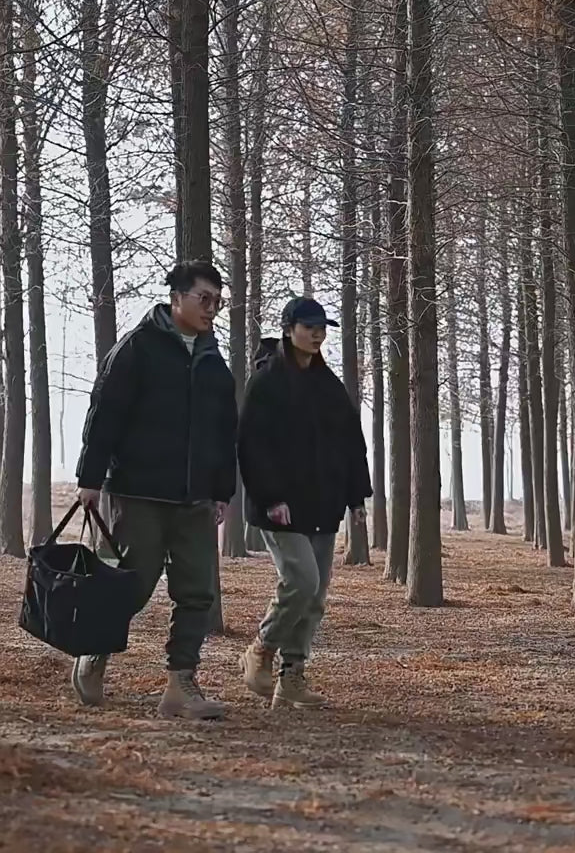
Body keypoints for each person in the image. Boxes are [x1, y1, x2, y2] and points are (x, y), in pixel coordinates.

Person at [73, 261, 238, 720]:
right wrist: (90, 479)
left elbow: (225, 431)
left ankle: (180, 686)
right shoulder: (137, 348)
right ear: (177, 298)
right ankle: (94, 652)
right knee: (131, 586)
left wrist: (222, 489)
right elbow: (104, 414)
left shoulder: (213, 360)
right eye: (203, 298)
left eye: (217, 301)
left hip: (195, 498)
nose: (211, 309)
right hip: (138, 492)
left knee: (197, 593)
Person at [238, 297, 372, 710]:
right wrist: (271, 497)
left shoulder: (329, 385)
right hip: (280, 508)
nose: (317, 334)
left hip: (323, 505)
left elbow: (351, 443)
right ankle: (261, 649)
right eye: (309, 326)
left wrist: (356, 497)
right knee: (300, 581)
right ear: (288, 329)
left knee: (315, 597)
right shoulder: (266, 381)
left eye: (322, 328)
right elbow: (252, 445)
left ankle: (292, 676)